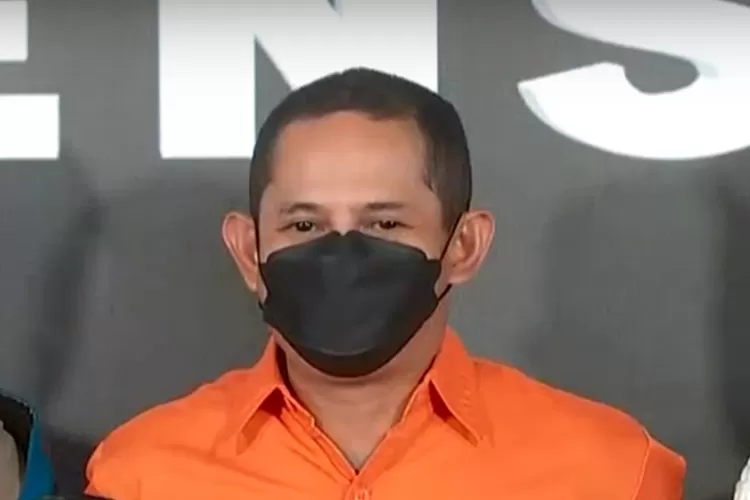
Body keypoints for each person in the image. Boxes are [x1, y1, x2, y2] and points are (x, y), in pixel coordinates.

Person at [85, 68, 685, 500]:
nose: (342, 251)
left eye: (385, 223)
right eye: (304, 224)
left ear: (464, 246)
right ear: (248, 252)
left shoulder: (612, 473)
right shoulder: (139, 475)